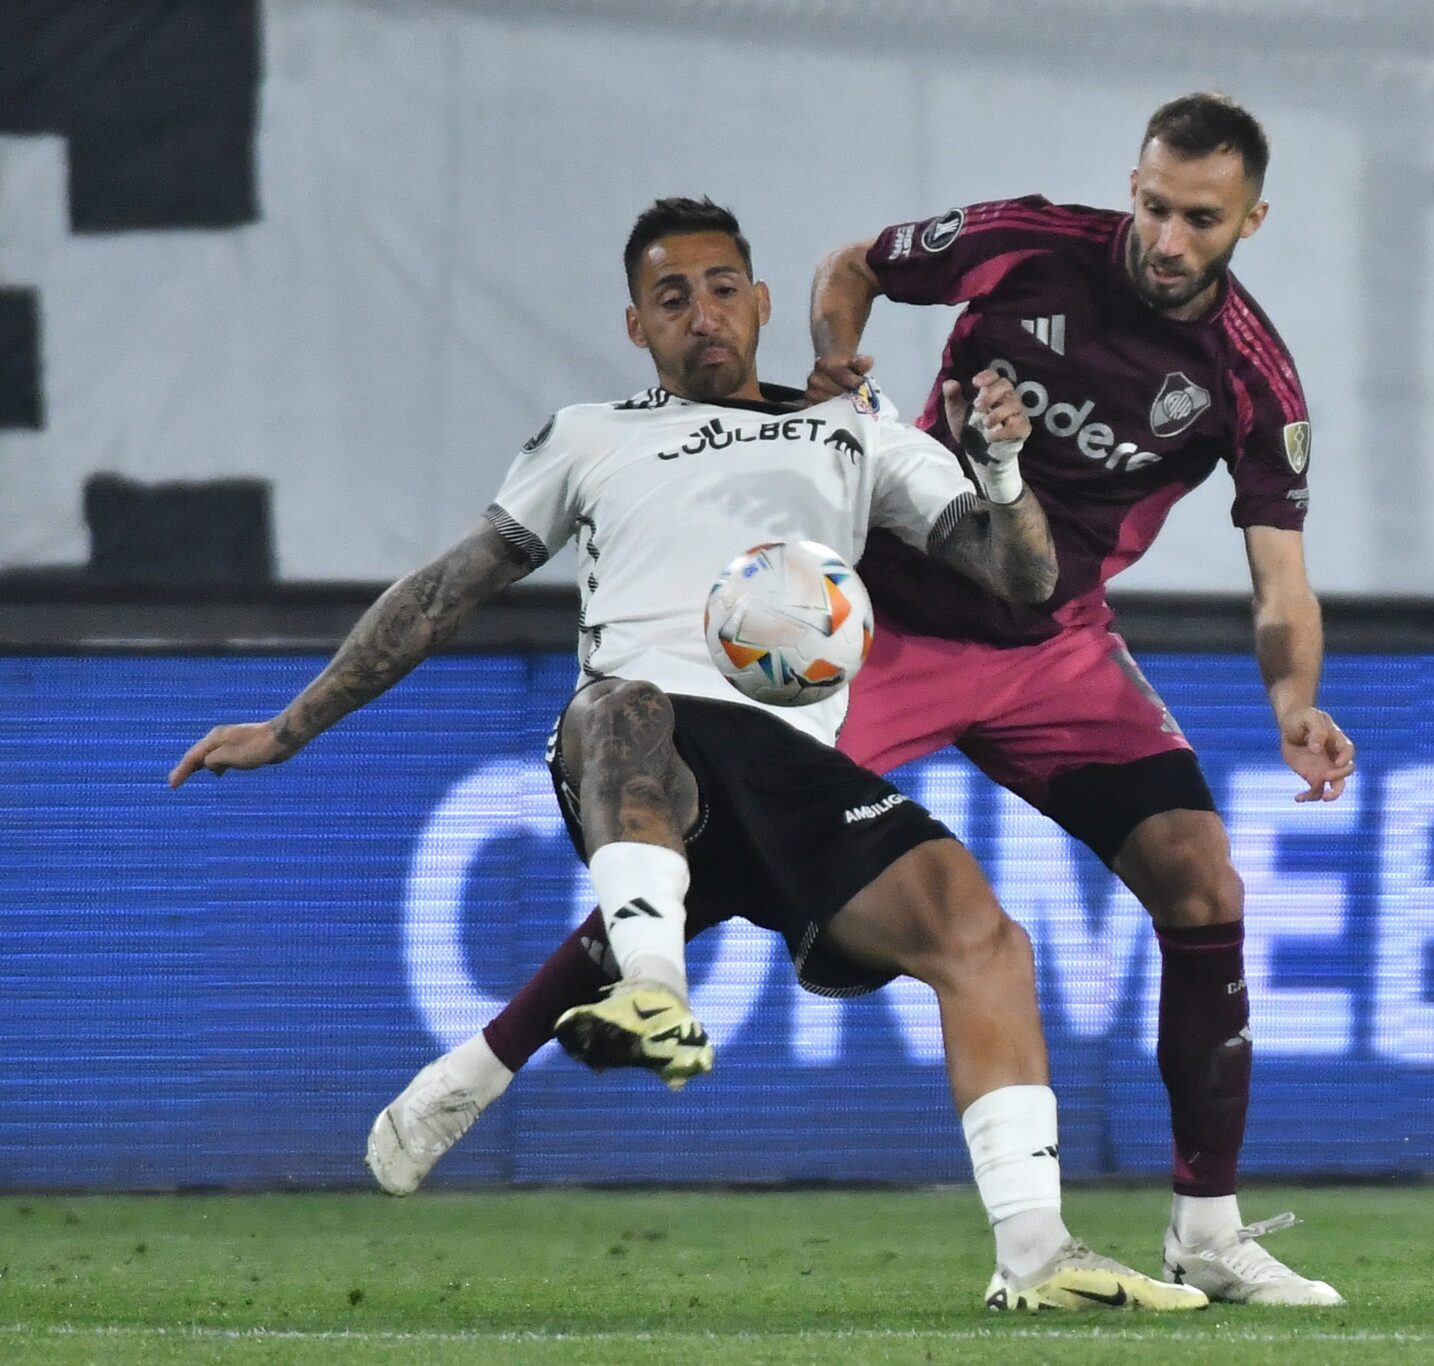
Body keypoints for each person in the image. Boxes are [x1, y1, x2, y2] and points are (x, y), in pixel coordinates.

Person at [376, 94, 1353, 1308]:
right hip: (879, 627)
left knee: (1203, 881)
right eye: (1151, 203)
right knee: (710, 858)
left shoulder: (1250, 377)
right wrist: (840, 353)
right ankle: (479, 1070)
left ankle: (1205, 1229)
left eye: (1197, 219)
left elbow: (1280, 580)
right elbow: (855, 266)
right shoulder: (1025, 241)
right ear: (1133, 182)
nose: (1162, 236)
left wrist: (1293, 703)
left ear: (1249, 218)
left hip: (1053, 646)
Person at [169, 196, 1205, 1314]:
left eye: (721, 290)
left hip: (795, 763)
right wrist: (294, 723)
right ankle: (654, 990)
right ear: (635, 327)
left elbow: (1019, 580)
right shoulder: (589, 435)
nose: (701, 316)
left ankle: (1033, 1254)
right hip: (641, 737)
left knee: (984, 938)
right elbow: (443, 589)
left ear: (761, 304)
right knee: (625, 707)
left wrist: (1001, 472)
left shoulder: (849, 431)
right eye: (672, 299)